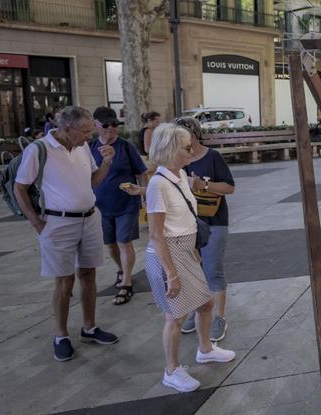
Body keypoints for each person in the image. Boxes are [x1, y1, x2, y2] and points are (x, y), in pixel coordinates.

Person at [13, 106, 119, 361]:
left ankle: (89, 327)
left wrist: (107, 162)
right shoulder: (39, 149)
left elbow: (93, 181)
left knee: (89, 274)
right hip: (58, 223)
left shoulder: (82, 147)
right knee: (64, 280)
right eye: (84, 131)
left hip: (89, 217)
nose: (90, 137)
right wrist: (37, 223)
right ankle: (61, 335)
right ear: (66, 129)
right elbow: (20, 188)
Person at [144, 123, 236, 392]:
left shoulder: (181, 176)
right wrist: (171, 272)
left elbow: (186, 217)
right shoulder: (158, 184)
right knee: (175, 315)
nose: (191, 150)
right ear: (170, 149)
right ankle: (171, 370)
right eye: (186, 147)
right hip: (168, 253)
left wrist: (193, 247)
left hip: (186, 249)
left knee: (206, 303)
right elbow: (156, 234)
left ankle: (205, 349)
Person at [174, 117, 236, 343]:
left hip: (214, 221)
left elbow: (229, 187)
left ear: (194, 134)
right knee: (192, 271)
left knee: (212, 270)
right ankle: (198, 311)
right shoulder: (177, 159)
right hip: (185, 224)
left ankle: (219, 316)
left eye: (183, 134)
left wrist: (204, 185)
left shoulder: (213, 157)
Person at [90, 107, 148, 305]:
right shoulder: (89, 148)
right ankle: (121, 269)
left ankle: (126, 282)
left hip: (126, 203)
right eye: (106, 125)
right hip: (100, 205)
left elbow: (141, 171)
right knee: (111, 244)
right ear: (96, 125)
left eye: (115, 124)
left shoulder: (126, 147)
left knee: (124, 242)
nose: (111, 128)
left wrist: (144, 193)